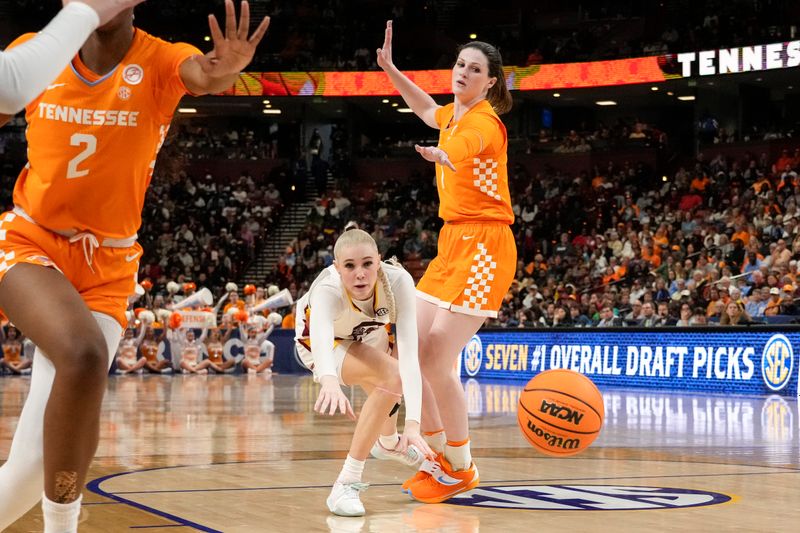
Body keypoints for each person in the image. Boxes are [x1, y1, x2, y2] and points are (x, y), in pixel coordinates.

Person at [0, 2, 269, 530]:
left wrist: (227, 69)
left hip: (110, 263)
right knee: (82, 355)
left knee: (32, 462)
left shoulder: (163, 59)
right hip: (32, 239)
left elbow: (203, 73)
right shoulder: (36, 51)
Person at [376, 21, 516, 503]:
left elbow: (463, 146)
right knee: (408, 350)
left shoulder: (482, 123)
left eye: (475, 69)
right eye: (460, 65)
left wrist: (443, 153)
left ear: (491, 81)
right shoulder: (454, 115)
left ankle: (461, 464)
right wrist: (391, 70)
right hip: (453, 242)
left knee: (435, 358)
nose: (463, 72)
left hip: (485, 245)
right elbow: (427, 109)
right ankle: (438, 460)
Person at [295, 228, 436, 516]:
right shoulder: (327, 289)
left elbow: (410, 356)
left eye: (367, 264)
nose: (359, 273)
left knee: (391, 383)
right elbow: (321, 336)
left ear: (379, 261)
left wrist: (412, 425)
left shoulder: (398, 281)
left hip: (366, 332)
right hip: (319, 340)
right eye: (349, 266)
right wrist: (329, 380)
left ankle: (388, 442)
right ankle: (346, 482)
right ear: (337, 267)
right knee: (391, 375)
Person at [0, 0, 145, 114]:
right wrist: (83, 11)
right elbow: (9, 87)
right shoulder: (28, 48)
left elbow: (9, 86)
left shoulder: (164, 59)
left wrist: (81, 11)